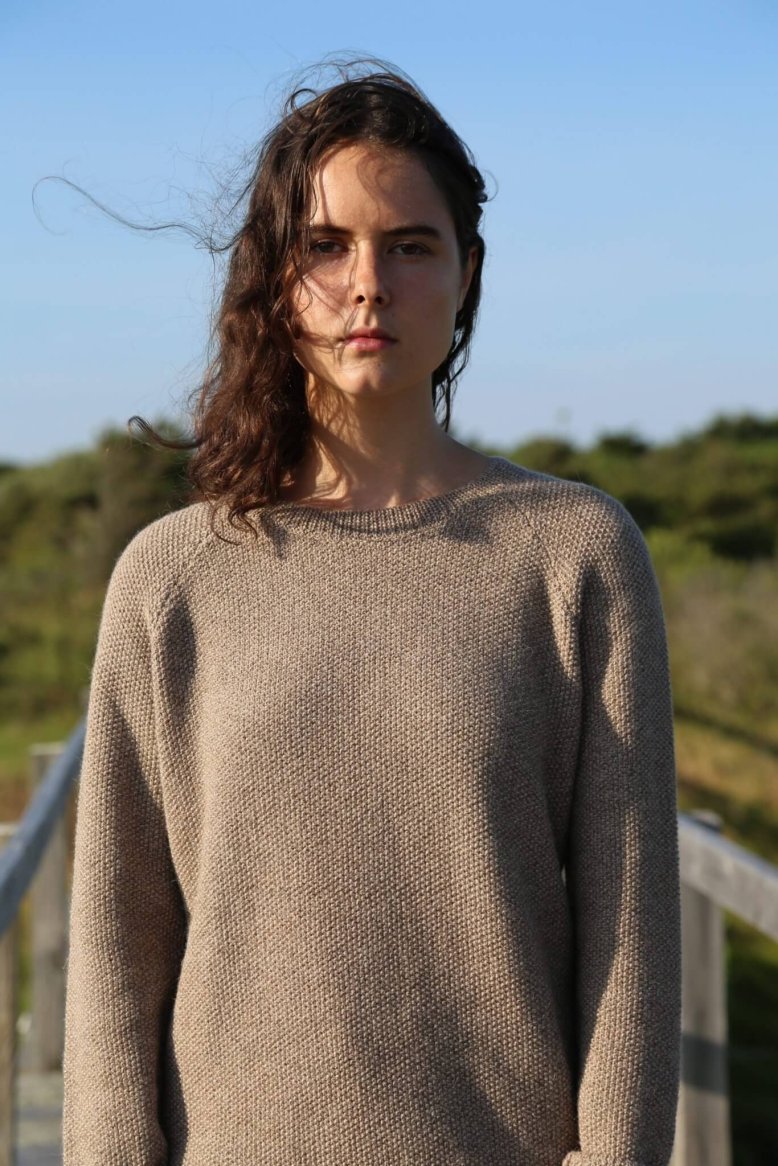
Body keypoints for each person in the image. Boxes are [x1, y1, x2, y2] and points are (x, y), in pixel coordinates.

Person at [62, 59, 682, 1166]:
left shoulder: (574, 552)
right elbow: (117, 948)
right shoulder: (174, 577)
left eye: (410, 245)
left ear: (467, 271)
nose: (367, 284)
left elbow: (629, 927)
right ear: (271, 275)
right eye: (325, 245)